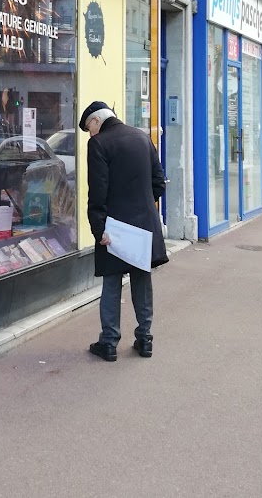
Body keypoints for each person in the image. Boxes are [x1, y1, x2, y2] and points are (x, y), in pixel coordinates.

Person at [80, 100, 167, 362]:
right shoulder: (141, 137)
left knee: (111, 281)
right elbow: (159, 182)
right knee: (142, 279)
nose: (90, 133)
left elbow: (98, 191)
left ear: (96, 121)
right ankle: (145, 339)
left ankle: (108, 342)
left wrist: (99, 228)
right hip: (142, 225)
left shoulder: (99, 144)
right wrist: (142, 206)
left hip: (113, 226)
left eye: (89, 128)